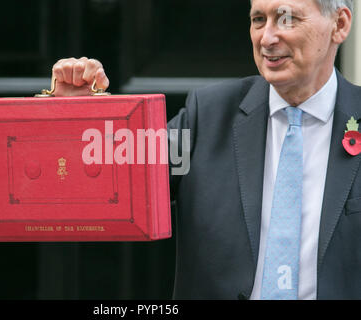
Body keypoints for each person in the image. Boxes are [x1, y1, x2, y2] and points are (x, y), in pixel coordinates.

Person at [51, 0, 360, 300]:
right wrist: (73, 116)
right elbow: (109, 181)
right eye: (258, 20)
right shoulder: (209, 115)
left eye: (287, 18)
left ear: (340, 24)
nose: (267, 38)